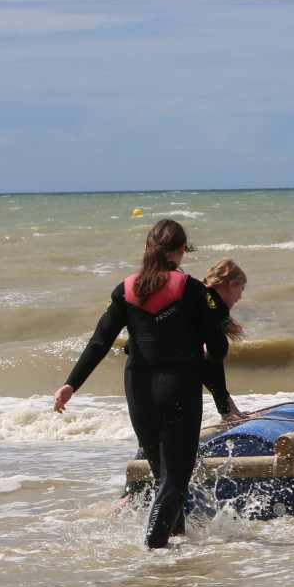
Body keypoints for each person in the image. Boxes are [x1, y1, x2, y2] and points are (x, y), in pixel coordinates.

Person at [52, 219, 229, 549]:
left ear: (148, 248)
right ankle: (153, 551)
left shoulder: (125, 289)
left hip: (138, 390)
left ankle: (175, 544)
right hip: (178, 386)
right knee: (175, 480)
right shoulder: (192, 288)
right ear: (181, 250)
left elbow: (99, 342)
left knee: (163, 477)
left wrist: (70, 385)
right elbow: (217, 350)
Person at [202, 258, 248, 424]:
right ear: (231, 284)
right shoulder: (217, 307)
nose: (240, 297)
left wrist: (229, 406)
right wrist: (226, 411)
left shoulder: (202, 294)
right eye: (241, 290)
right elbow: (213, 360)